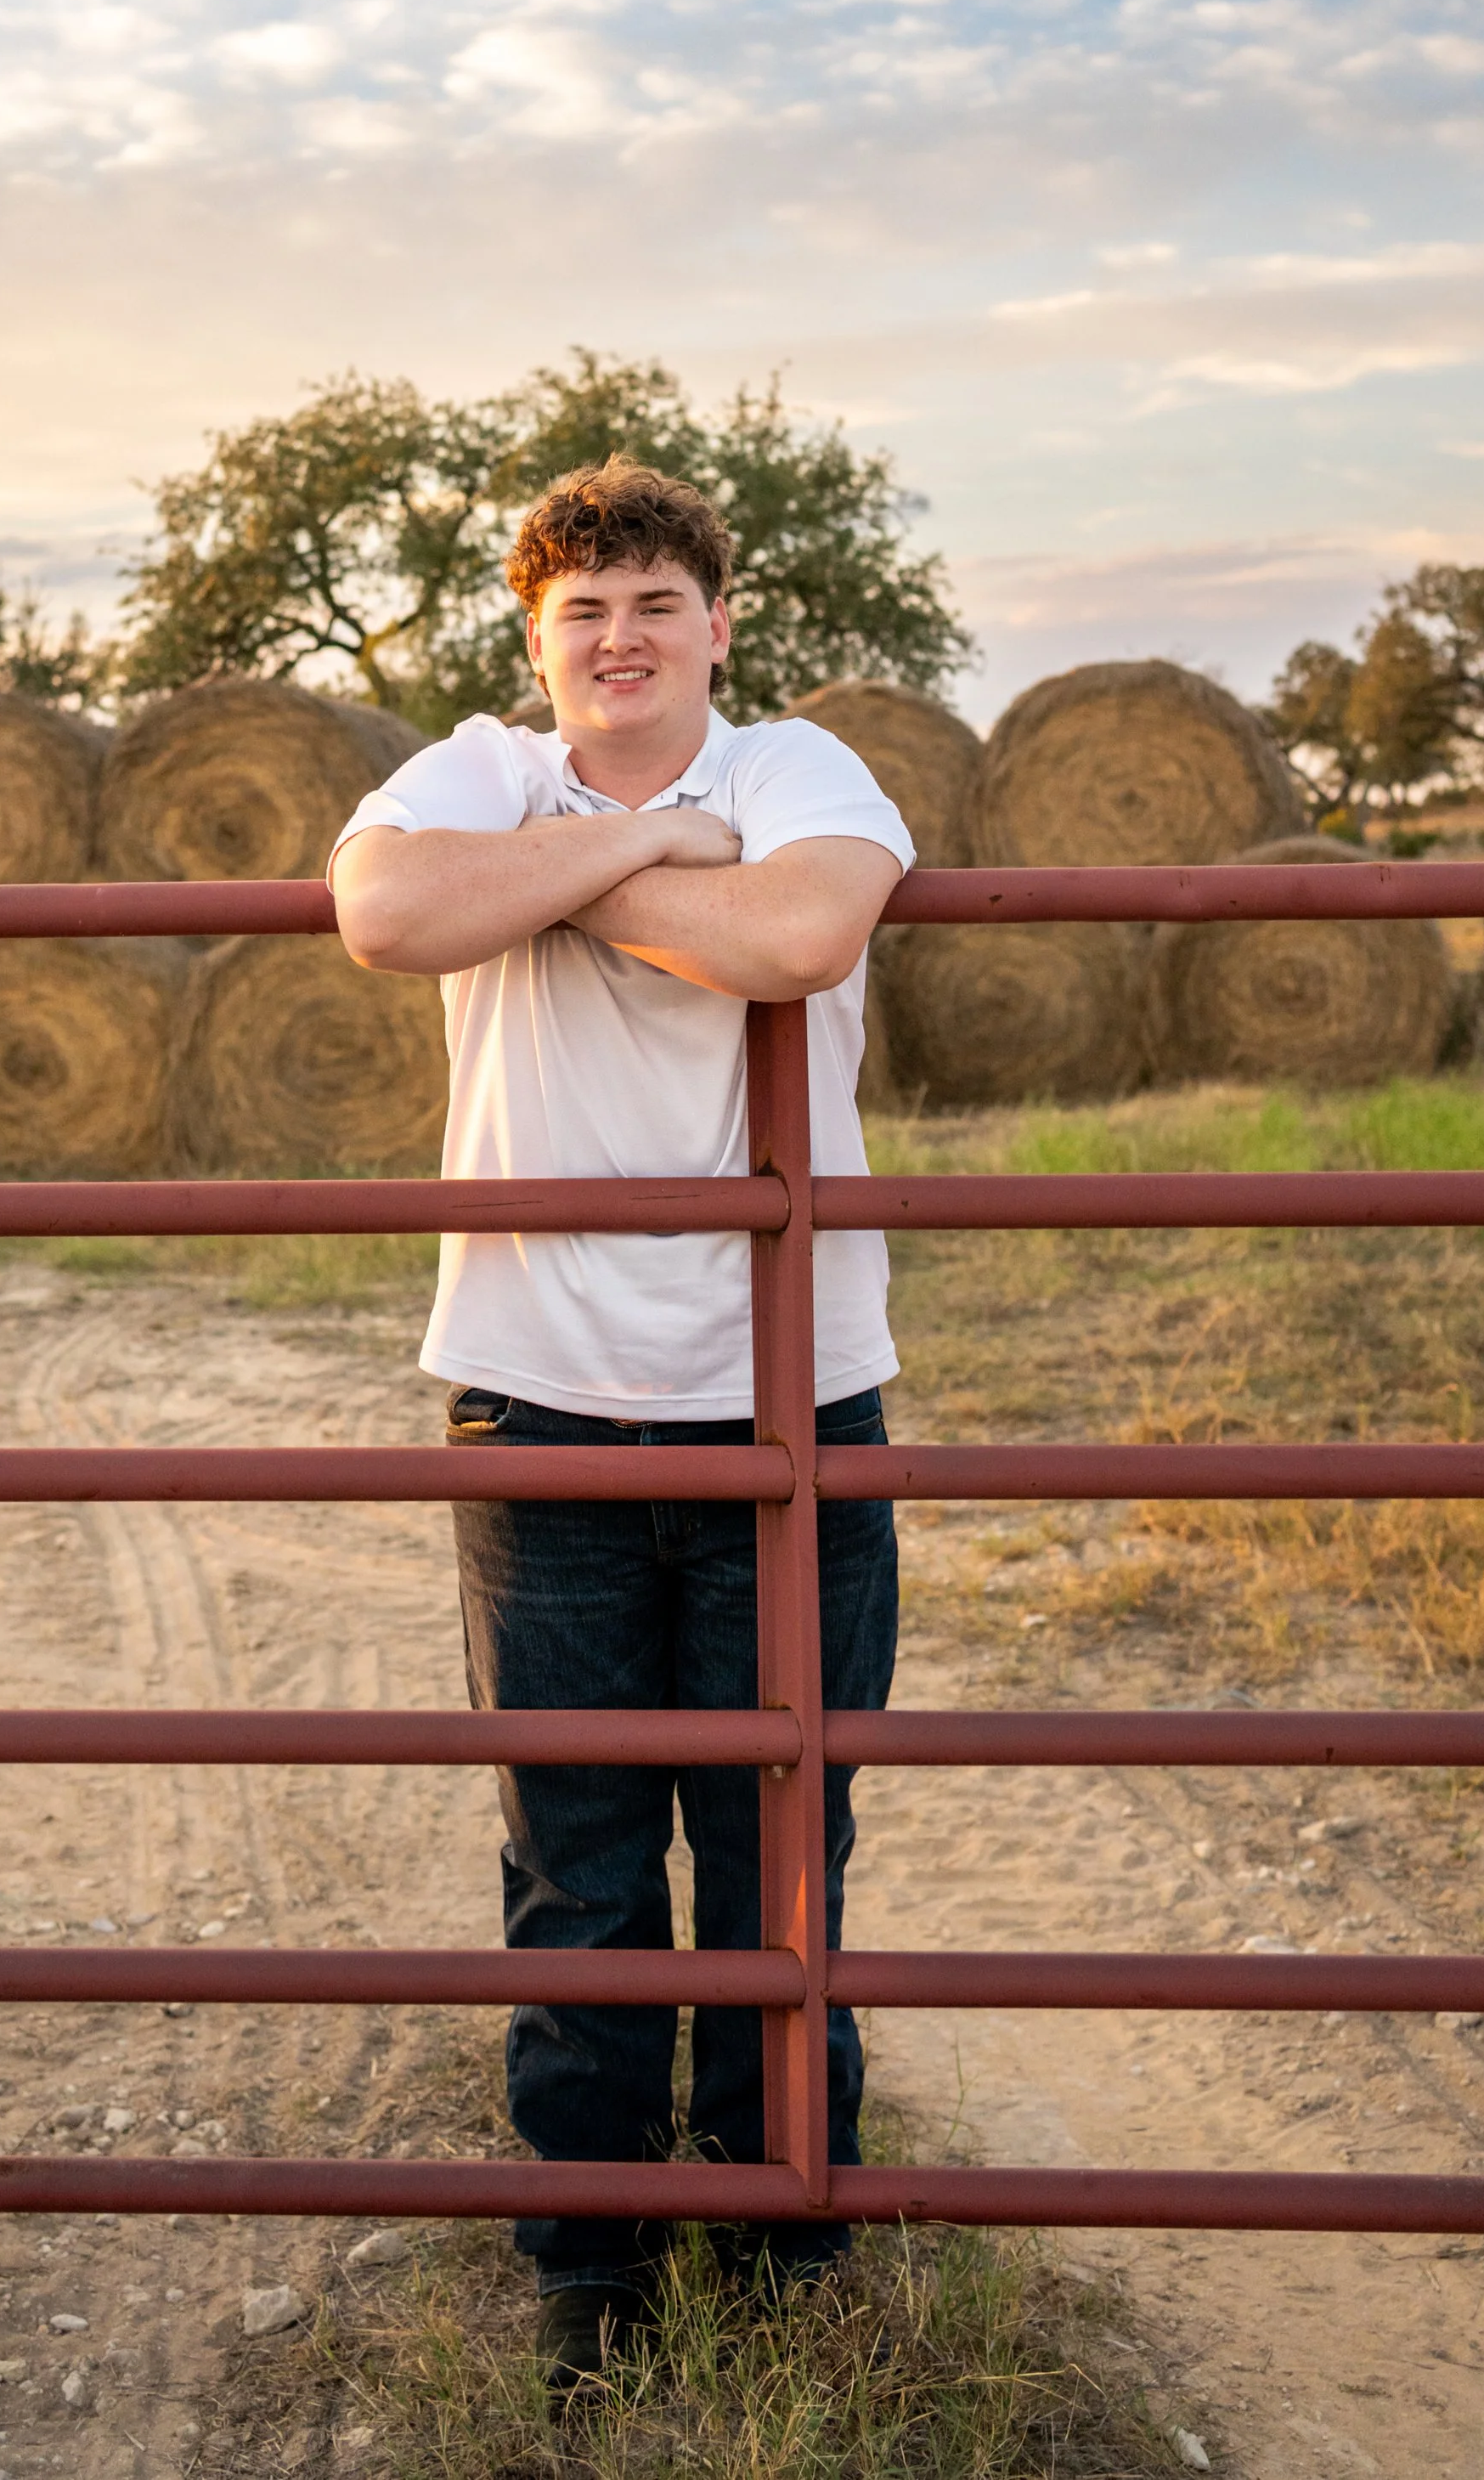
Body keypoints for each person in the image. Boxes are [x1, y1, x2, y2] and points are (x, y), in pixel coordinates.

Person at [328, 455, 911, 2399]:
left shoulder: (804, 764)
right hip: (537, 1401)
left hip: (792, 1404)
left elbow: (800, 937)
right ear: (534, 638)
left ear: (718, 625)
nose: (619, 639)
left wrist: (563, 885)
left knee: (779, 1852)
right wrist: (637, 865)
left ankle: (780, 2247)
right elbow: (390, 911)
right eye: (581, 612)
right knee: (575, 1863)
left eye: (655, 604)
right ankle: (588, 2275)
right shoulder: (476, 768)